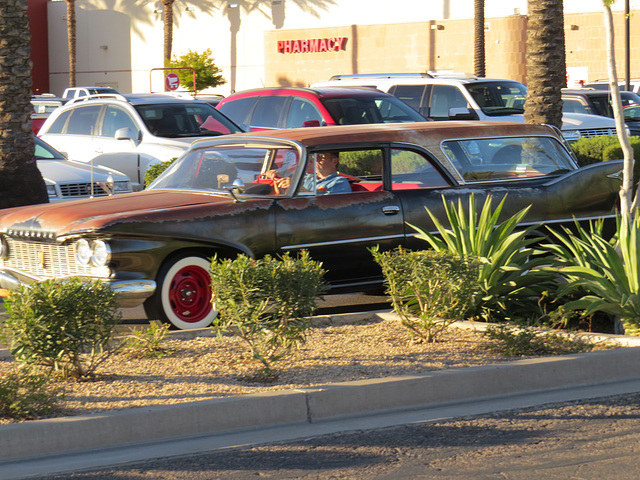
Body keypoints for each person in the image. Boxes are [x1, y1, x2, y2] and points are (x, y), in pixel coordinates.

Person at [266, 151, 351, 195]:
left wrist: (298, 188)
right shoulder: (307, 178)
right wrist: (277, 178)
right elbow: (284, 194)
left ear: (335, 161)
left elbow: (325, 205)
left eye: (321, 156)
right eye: (315, 156)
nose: (316, 159)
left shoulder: (339, 182)